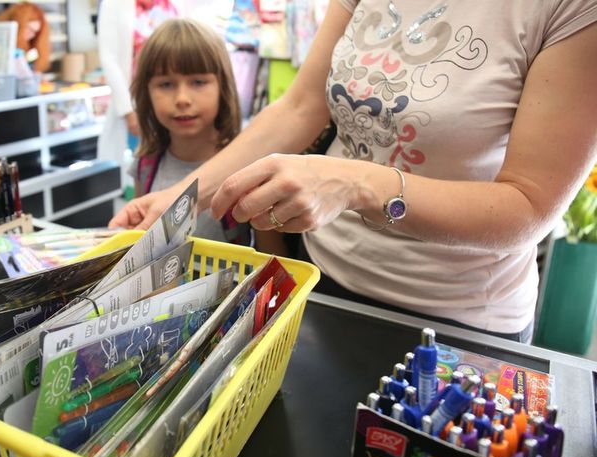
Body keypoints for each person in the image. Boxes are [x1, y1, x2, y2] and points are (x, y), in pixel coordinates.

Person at [110, 0, 597, 343]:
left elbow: (528, 207)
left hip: (456, 320)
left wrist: (354, 184)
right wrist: (182, 195)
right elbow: (301, 106)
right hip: (324, 281)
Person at [128, 18, 284, 250]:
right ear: (146, 92)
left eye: (198, 82)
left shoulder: (249, 167)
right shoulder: (145, 164)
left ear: (223, 87)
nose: (182, 99)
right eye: (166, 84)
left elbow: (272, 255)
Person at [96, 0, 179, 181]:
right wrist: (128, 111)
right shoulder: (115, 5)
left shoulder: (170, 5)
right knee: (140, 169)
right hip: (136, 103)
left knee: (171, 166)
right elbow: (109, 59)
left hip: (170, 99)